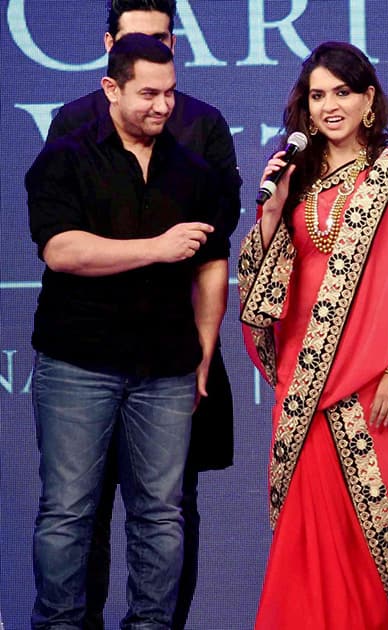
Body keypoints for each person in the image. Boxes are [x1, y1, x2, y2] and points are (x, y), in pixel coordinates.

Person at [44, 2, 241, 627]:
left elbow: (212, 259)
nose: (163, 106)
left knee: (162, 514)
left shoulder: (194, 161)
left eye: (170, 93)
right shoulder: (69, 150)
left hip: (167, 366)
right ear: (111, 84)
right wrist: (155, 249)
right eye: (149, 94)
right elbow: (61, 250)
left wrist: (205, 347)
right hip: (80, 360)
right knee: (70, 512)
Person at [239, 41, 388, 629]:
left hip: (374, 380)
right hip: (305, 377)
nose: (329, 106)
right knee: (304, 535)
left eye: (341, 92)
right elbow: (270, 282)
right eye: (317, 96)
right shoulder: (297, 175)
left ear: (369, 98)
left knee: (370, 538)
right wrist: (272, 213)